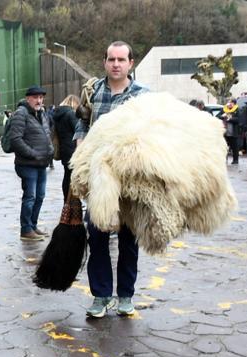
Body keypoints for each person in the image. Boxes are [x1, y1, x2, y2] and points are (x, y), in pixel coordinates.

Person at [74, 40, 149, 318]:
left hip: (131, 178)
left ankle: (126, 296)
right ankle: (101, 295)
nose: (116, 64)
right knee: (97, 235)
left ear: (131, 63)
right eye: (111, 59)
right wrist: (80, 142)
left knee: (129, 240)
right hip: (99, 176)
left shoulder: (143, 95)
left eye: (121, 59)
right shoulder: (93, 91)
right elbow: (82, 120)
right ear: (105, 62)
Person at [9, 85, 53, 241]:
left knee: (40, 196)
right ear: (28, 99)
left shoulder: (41, 113)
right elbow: (15, 139)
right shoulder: (21, 114)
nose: (39, 100)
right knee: (30, 197)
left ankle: (33, 226)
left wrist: (50, 150)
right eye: (35, 97)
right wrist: (33, 154)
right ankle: (26, 229)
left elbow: (47, 133)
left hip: (41, 163)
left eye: (41, 97)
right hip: (27, 164)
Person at [53, 94, 79, 200]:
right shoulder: (71, 114)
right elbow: (78, 129)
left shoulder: (57, 115)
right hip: (73, 149)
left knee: (67, 175)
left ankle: (66, 200)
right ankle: (72, 201)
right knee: (73, 176)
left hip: (64, 149)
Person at [222, 98, 241, 166]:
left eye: (231, 103)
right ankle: (224, 160)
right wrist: (222, 116)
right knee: (224, 147)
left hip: (233, 132)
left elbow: (239, 119)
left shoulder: (237, 110)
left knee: (234, 147)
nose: (229, 104)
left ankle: (235, 160)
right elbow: (218, 116)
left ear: (234, 104)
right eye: (228, 102)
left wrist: (229, 118)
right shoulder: (224, 109)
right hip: (225, 132)